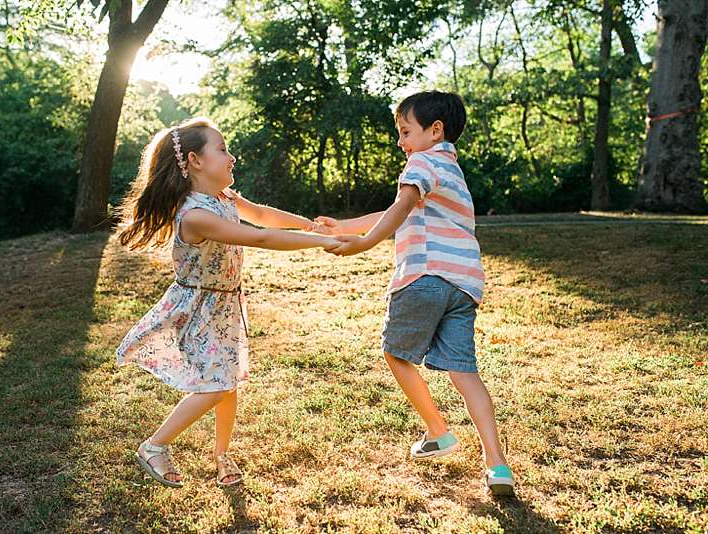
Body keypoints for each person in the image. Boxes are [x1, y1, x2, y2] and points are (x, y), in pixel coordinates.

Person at [116, 117, 340, 487]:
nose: (232, 157)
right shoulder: (196, 215)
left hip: (225, 306)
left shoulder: (223, 197)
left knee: (228, 380)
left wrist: (310, 226)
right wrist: (323, 244)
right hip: (198, 309)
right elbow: (262, 237)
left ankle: (222, 455)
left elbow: (263, 216)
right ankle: (154, 446)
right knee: (217, 384)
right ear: (196, 161)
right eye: (222, 149)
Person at [318, 91, 515, 496]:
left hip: (424, 275)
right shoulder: (451, 170)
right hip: (463, 286)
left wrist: (364, 243)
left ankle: (438, 431)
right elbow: (400, 209)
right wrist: (344, 226)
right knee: (466, 374)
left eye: (405, 131)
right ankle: (497, 464)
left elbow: (401, 205)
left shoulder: (421, 162)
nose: (401, 141)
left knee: (396, 353)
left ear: (435, 130)